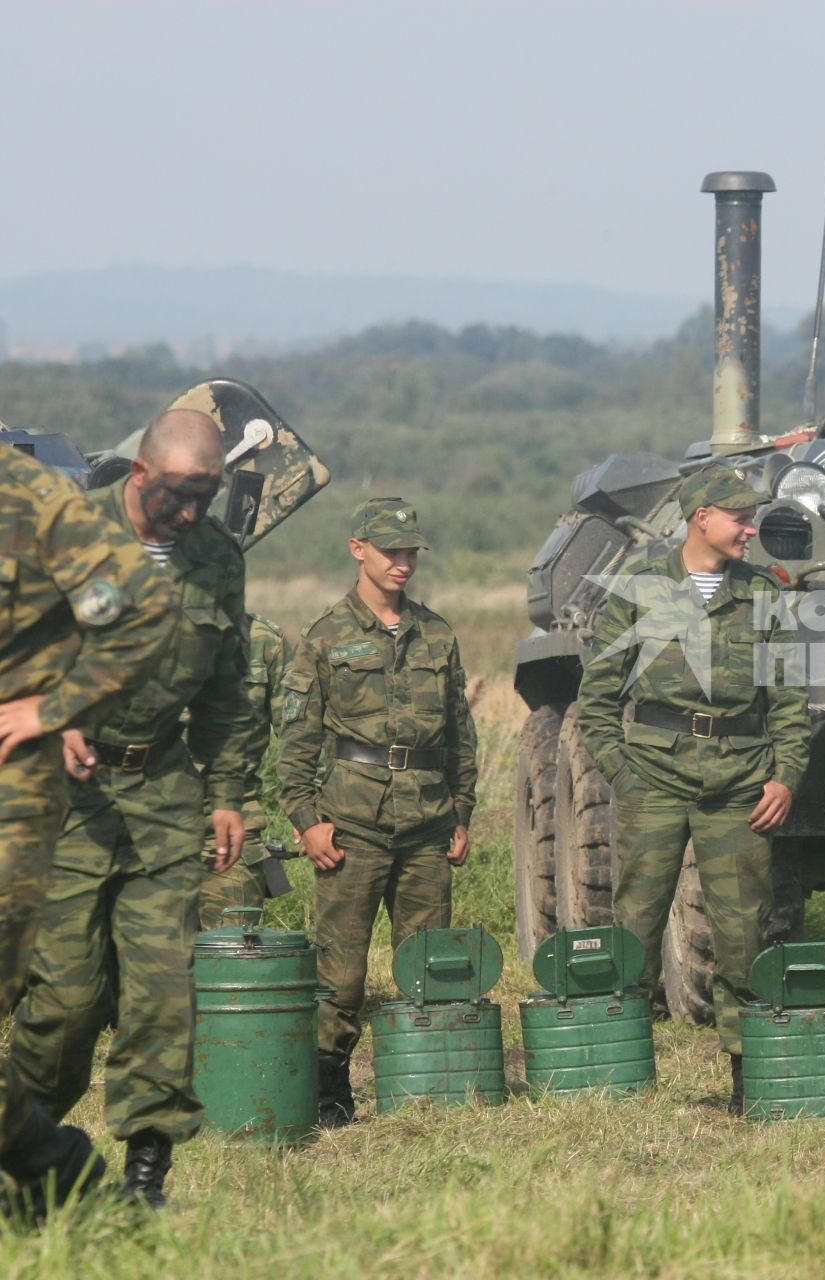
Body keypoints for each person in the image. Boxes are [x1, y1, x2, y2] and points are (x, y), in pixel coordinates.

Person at [11, 410, 258, 1209]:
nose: (190, 514)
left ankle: (147, 1180)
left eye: (207, 497)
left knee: (162, 997)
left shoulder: (216, 558)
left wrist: (226, 795)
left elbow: (226, 686)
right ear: (140, 476)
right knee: (67, 1000)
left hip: (162, 795)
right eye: (179, 496)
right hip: (68, 806)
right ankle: (33, 1157)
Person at [576, 464, 808, 1114]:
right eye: (738, 516)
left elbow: (789, 700)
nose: (749, 528)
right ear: (701, 516)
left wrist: (785, 776)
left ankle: (746, 1077)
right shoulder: (643, 589)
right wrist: (623, 773)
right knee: (634, 928)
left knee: (743, 934)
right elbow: (597, 695)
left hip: (738, 782)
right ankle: (620, 1075)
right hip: (654, 776)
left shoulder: (763, 595)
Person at [277, 498, 477, 1128]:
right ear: (357, 548)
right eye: (391, 550)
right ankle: (330, 1095)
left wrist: (462, 811)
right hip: (352, 826)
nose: (404, 562)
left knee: (430, 963)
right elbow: (296, 740)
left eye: (412, 550)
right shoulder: (325, 637)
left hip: (426, 826)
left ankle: (426, 1086)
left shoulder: (437, 634)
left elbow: (460, 735)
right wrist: (306, 818)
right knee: (342, 974)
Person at [195, 613, 289, 930]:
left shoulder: (263, 641)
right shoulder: (137, 633)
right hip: (146, 822)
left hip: (233, 826)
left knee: (233, 956)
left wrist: (309, 808)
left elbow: (299, 736)